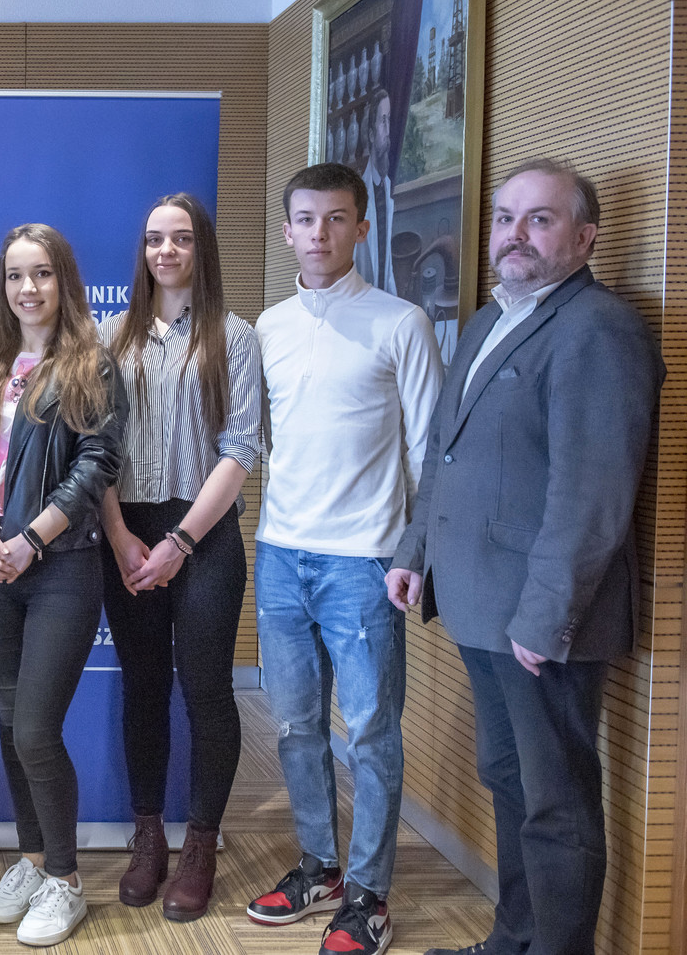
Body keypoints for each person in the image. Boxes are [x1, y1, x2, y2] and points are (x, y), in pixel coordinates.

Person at [387, 159, 664, 955]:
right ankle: (512, 940)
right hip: (479, 605)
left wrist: (545, 618)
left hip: (541, 625)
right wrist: (414, 550)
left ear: (585, 237)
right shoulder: (488, 322)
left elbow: (592, 496)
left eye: (540, 219)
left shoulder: (599, 330)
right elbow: (444, 454)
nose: (515, 234)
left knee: (556, 803)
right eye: (506, 217)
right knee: (508, 780)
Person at [248, 162, 442, 955]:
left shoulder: (402, 323)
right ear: (287, 230)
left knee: (369, 733)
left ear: (361, 227)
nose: (319, 234)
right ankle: (320, 867)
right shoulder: (267, 328)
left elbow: (429, 451)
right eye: (305, 219)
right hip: (280, 553)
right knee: (296, 726)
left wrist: (413, 552)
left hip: (364, 561)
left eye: (335, 219)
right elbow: (259, 441)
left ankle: (368, 894)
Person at [0, 224, 126, 949]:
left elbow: (97, 464)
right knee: (7, 723)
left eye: (43, 273)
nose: (29, 288)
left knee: (35, 730)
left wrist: (31, 540)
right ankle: (29, 860)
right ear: (2, 286)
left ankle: (65, 880)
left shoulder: (89, 364)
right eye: (16, 275)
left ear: (64, 281)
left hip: (60, 567)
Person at [97, 194, 261, 921]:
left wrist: (181, 543)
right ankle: (148, 839)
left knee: (206, 690)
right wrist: (120, 536)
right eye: (155, 239)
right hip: (127, 534)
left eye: (182, 238)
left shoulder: (236, 337)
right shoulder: (111, 336)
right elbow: (96, 448)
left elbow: (242, 449)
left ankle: (200, 845)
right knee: (142, 686)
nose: (166, 251)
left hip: (205, 535)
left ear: (202, 249)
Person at [356, 88, 396, 293]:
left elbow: (387, 270)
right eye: (383, 121)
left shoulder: (386, 188)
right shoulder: (357, 198)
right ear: (371, 135)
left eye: (389, 120)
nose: (388, 130)